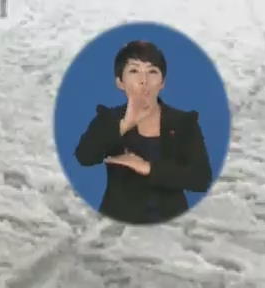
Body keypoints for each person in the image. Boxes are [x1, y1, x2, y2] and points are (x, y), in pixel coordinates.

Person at [74, 40, 213, 225]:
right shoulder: (108, 119)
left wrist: (147, 168)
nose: (143, 80)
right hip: (119, 229)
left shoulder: (184, 122)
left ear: (162, 82)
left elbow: (201, 178)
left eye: (152, 71)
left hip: (173, 227)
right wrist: (126, 124)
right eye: (134, 71)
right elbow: (85, 157)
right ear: (120, 82)